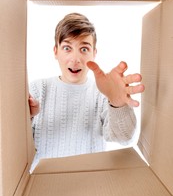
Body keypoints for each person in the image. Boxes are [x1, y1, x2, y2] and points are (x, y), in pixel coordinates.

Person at [29, 12, 144, 172]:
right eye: (67, 48)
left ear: (94, 53)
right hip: (43, 184)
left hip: (90, 184)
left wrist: (117, 105)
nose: (75, 59)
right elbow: (13, 146)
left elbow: (124, 138)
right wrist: (27, 117)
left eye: (84, 49)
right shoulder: (37, 89)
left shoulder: (102, 94)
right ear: (56, 51)